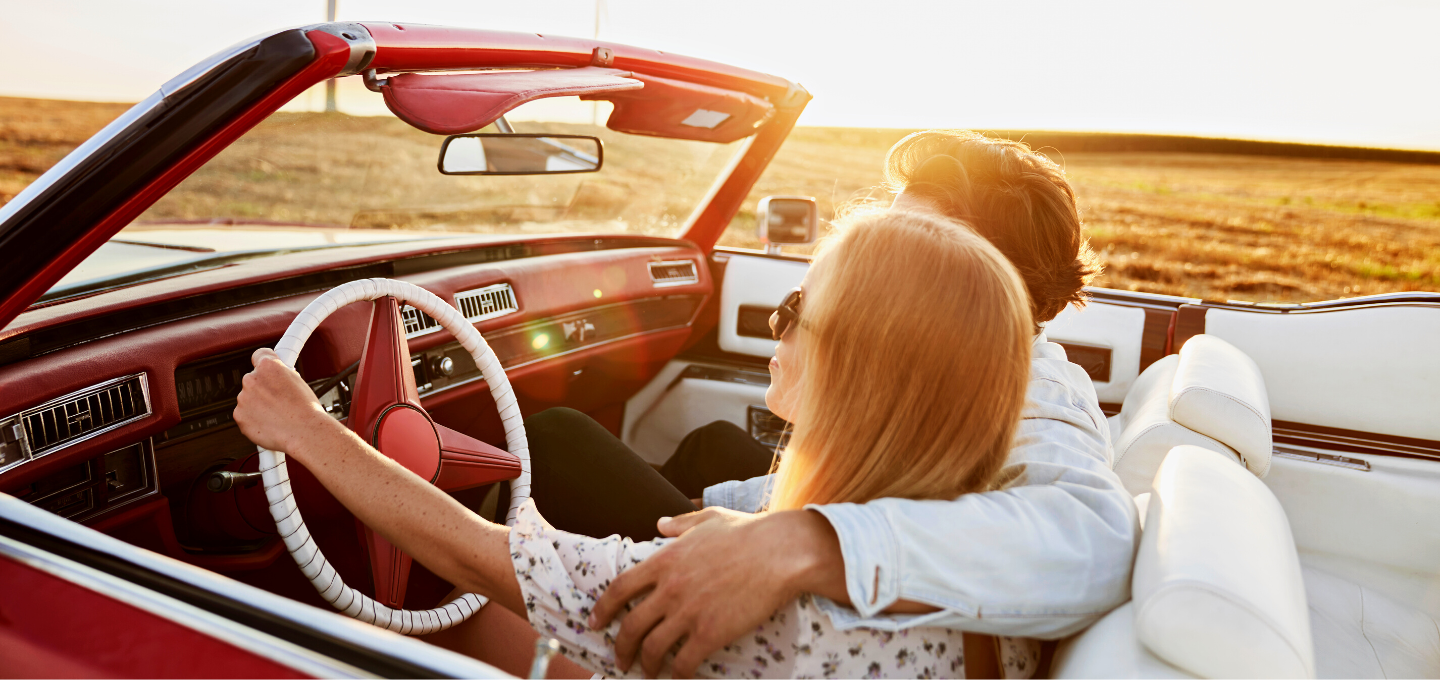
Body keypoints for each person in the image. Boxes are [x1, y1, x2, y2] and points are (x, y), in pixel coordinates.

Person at [235, 209, 1042, 678]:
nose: (775, 326)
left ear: (863, 374)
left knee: (381, 636)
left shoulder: (771, 606)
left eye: (799, 309)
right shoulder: (994, 565)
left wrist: (303, 427)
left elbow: (482, 556)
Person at [501, 130, 1137, 678]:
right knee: (714, 444)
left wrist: (802, 542)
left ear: (977, 277)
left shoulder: (1041, 396)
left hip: (819, 614)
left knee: (560, 441)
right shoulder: (980, 364)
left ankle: (513, 604)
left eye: (909, 242)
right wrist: (735, 514)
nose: (878, 261)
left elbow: (1092, 541)